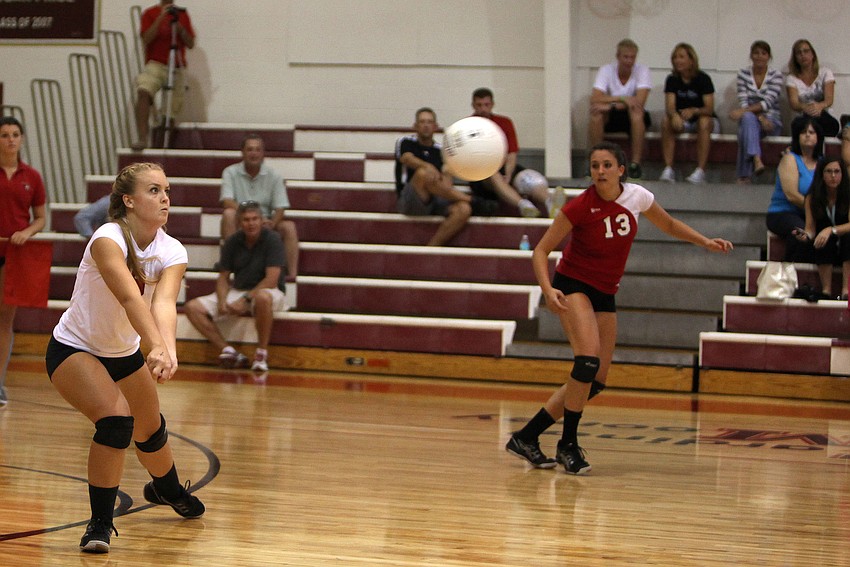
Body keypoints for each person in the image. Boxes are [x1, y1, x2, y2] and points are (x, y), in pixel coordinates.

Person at [505, 141, 732, 474]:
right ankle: (568, 445)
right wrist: (548, 289)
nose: (600, 171)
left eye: (607, 165)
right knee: (585, 362)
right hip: (574, 285)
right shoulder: (580, 206)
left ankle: (527, 436)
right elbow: (540, 251)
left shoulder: (637, 196)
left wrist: (705, 242)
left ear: (621, 169)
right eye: (595, 165)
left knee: (594, 380)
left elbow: (667, 224)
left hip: (605, 292)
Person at [45, 162, 204, 553]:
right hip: (74, 349)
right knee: (117, 421)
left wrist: (168, 350)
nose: (165, 197)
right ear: (128, 200)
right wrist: (155, 347)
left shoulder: (172, 249)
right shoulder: (107, 237)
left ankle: (166, 489)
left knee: (149, 429)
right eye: (154, 190)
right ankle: (98, 525)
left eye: (167, 190)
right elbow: (131, 298)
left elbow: (164, 303)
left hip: (124, 352)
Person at [184, 200, 287, 373]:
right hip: (239, 289)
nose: (251, 223)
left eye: (255, 219)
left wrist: (245, 300)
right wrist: (223, 300)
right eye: (246, 219)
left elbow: (271, 280)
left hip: (268, 290)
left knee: (262, 298)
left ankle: (261, 353)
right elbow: (223, 277)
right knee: (192, 307)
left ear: (262, 220)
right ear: (239, 223)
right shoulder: (232, 241)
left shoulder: (273, 239)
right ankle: (228, 351)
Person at [0, 116, 47, 407]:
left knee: (5, 320)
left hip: (14, 257)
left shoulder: (32, 176)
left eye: (15, 134)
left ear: (22, 138)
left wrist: (26, 232)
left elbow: (41, 218)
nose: (10, 139)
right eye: (4, 135)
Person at [220, 134, 299, 280]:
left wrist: (270, 223)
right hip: (241, 221)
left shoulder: (274, 175)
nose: (253, 153)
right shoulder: (230, 172)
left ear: (263, 153)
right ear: (242, 152)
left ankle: (291, 276)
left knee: (289, 227)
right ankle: (231, 265)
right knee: (228, 214)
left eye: (257, 150)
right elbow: (227, 201)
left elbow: (281, 208)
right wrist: (250, 218)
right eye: (250, 149)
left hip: (266, 222)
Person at [395, 107, 473, 245]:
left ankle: (432, 247)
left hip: (435, 199)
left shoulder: (441, 151)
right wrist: (428, 166)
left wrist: (447, 174)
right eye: (422, 122)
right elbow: (407, 159)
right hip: (410, 200)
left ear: (435, 127)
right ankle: (472, 200)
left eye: (429, 122)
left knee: (464, 209)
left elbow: (447, 184)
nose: (426, 125)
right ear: (415, 126)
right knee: (423, 173)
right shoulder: (405, 142)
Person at [468, 88, 547, 217]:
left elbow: (511, 153)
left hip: (504, 167)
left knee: (530, 178)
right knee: (491, 173)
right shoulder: (466, 126)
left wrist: (509, 174)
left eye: (486, 105)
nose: (483, 109)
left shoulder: (505, 123)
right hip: (480, 173)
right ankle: (524, 205)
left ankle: (549, 202)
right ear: (473, 105)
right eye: (479, 105)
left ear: (492, 104)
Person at [133, 0, 196, 151]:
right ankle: (142, 138)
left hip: (176, 65)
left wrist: (180, 28)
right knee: (143, 91)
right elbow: (146, 38)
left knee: (170, 112)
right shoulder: (150, 13)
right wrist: (161, 17)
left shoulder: (182, 14)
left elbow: (190, 43)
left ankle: (160, 147)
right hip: (156, 63)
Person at [588, 39, 652, 179]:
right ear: (618, 56)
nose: (629, 61)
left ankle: (635, 164)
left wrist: (611, 103)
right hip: (612, 114)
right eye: (626, 57)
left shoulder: (642, 70)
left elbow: (639, 102)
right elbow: (595, 98)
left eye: (632, 57)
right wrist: (623, 99)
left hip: (631, 116)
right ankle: (596, 161)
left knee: (636, 112)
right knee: (596, 113)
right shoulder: (606, 70)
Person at [766, 116, 823, 264]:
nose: (808, 135)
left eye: (812, 132)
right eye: (804, 132)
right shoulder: (790, 158)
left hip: (810, 214)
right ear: (797, 136)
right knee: (801, 234)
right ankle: (788, 272)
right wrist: (817, 210)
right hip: (782, 213)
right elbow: (792, 195)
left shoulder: (823, 163)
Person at [659, 43, 718, 184]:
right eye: (675, 57)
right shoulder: (672, 79)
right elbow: (670, 106)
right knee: (666, 121)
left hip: (704, 120)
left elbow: (709, 108)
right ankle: (668, 169)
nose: (677, 60)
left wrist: (694, 110)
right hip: (683, 120)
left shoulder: (703, 79)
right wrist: (674, 115)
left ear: (691, 60)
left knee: (704, 122)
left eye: (681, 57)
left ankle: (700, 171)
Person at [793, 158, 850, 299]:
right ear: (821, 174)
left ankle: (846, 290)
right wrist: (805, 235)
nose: (833, 176)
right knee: (821, 238)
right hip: (826, 247)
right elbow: (810, 229)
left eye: (837, 172)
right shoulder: (812, 197)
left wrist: (831, 229)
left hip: (845, 241)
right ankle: (826, 291)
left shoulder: (848, 193)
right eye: (829, 171)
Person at [729, 40, 784, 184]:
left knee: (744, 128)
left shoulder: (776, 75)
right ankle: (756, 158)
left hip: (771, 122)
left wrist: (744, 112)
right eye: (756, 53)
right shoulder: (743, 74)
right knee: (747, 121)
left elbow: (768, 102)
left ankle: (744, 175)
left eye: (763, 53)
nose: (759, 56)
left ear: (769, 56)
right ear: (751, 56)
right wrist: (758, 118)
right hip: (753, 120)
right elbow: (744, 101)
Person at [785, 39, 840, 138]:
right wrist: (808, 108)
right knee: (804, 122)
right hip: (802, 118)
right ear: (795, 58)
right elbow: (794, 104)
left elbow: (829, 100)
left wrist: (819, 106)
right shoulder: (791, 78)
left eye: (806, 51)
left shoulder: (825, 72)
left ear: (812, 54)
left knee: (824, 123)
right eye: (799, 53)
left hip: (825, 117)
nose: (803, 55)